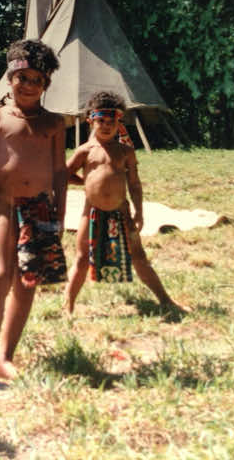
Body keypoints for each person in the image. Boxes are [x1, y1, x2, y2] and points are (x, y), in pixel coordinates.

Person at [0, 39, 67, 384]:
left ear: (46, 85)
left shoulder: (54, 124)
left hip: (40, 211)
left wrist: (60, 216)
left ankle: (4, 358)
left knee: (27, 283)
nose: (27, 85)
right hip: (4, 208)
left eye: (36, 80)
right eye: (21, 77)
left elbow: (59, 173)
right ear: (10, 78)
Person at [63, 91, 183, 315]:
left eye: (112, 121)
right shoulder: (85, 151)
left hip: (121, 211)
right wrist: (85, 181)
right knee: (81, 258)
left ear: (119, 121)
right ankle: (68, 305)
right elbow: (64, 174)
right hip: (90, 212)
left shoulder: (125, 151)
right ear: (90, 120)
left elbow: (135, 184)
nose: (106, 126)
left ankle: (165, 300)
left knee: (139, 257)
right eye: (101, 121)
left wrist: (139, 211)